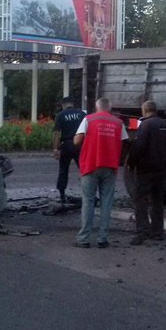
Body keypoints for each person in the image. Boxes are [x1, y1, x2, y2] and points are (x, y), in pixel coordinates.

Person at [72, 97, 128, 248]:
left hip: (91, 164)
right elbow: (122, 143)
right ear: (109, 108)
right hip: (110, 165)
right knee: (107, 202)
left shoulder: (88, 119)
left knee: (88, 202)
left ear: (97, 107)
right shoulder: (118, 122)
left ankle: (83, 239)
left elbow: (77, 141)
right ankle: (103, 239)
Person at [127, 100, 166, 245]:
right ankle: (158, 232)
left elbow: (138, 147)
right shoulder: (165, 125)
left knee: (141, 200)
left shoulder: (145, 125)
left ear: (144, 111)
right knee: (158, 201)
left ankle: (142, 232)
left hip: (146, 170)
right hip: (163, 170)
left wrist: (131, 164)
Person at [52, 96, 86, 204]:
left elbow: (57, 133)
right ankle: (88, 193)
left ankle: (62, 194)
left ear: (63, 105)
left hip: (66, 145)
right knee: (84, 170)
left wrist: (55, 149)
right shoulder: (82, 114)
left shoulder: (60, 115)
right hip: (80, 144)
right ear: (73, 104)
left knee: (63, 170)